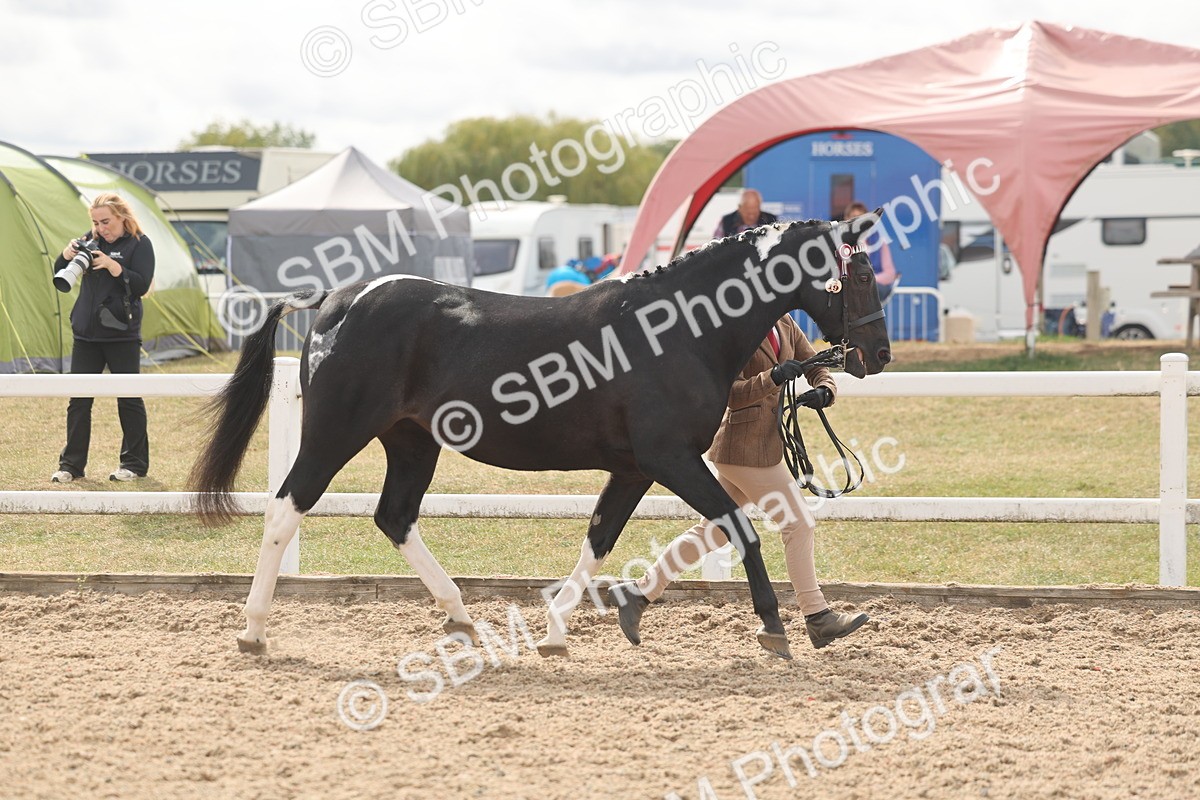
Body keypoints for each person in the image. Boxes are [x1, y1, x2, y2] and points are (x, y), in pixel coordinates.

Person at [610, 315, 869, 652]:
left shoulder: (786, 322)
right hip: (742, 448)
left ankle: (640, 592)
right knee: (798, 524)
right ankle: (817, 616)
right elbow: (727, 394)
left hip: (766, 443)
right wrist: (771, 377)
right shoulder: (734, 328)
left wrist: (824, 389)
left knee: (711, 533)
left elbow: (813, 362)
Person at [50, 193, 155, 483]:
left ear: (122, 216)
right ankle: (71, 466)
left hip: (122, 335)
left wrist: (113, 265)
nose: (101, 228)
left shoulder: (140, 244)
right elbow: (60, 274)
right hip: (86, 335)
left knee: (129, 399)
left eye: (106, 221)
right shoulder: (91, 239)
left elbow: (142, 285)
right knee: (79, 401)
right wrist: (66, 255)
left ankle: (134, 465)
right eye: (96, 222)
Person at [845, 201, 898, 303]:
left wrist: (869, 280)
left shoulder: (879, 242)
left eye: (861, 217)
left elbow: (890, 274)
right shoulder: (838, 244)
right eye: (854, 217)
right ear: (846, 219)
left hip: (872, 291)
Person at [714, 188, 778, 238]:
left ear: (759, 207)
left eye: (754, 213)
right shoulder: (726, 221)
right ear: (739, 208)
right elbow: (715, 248)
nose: (751, 217)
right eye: (748, 213)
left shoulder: (771, 221)